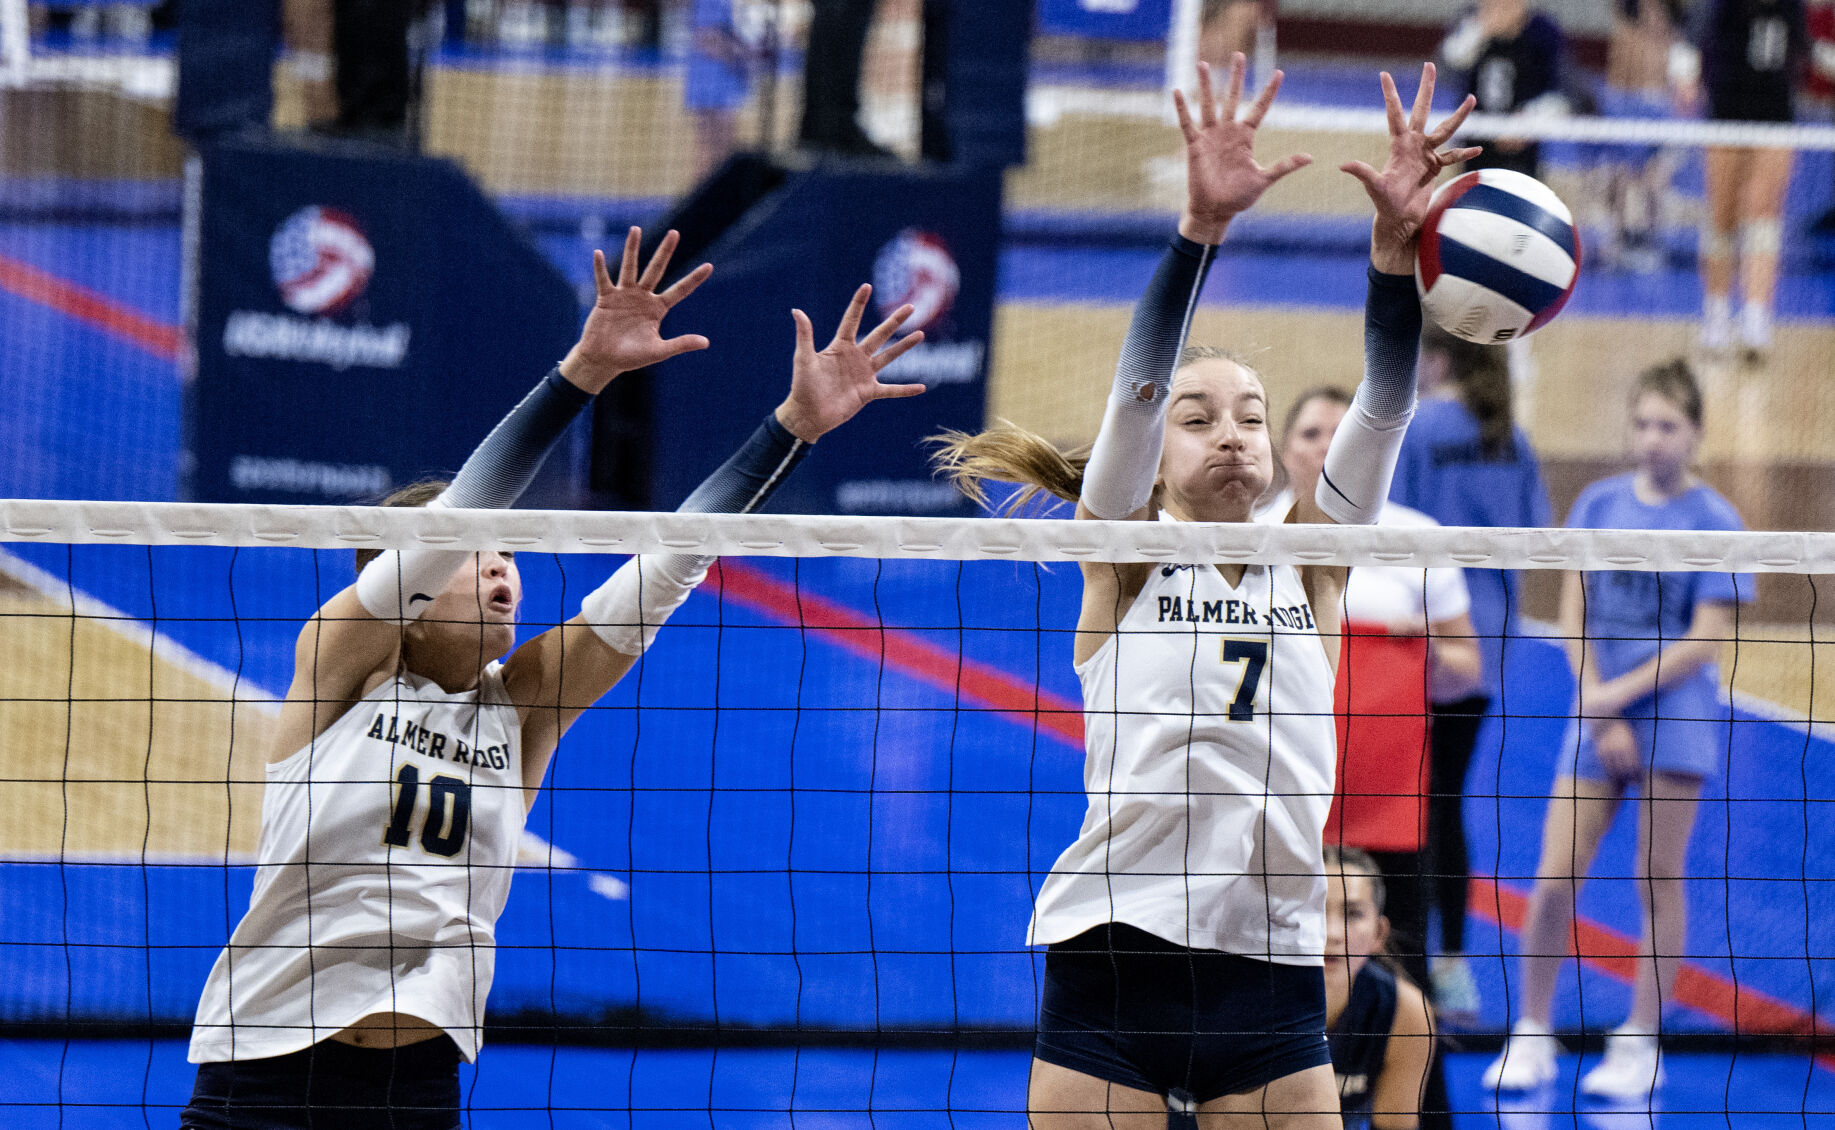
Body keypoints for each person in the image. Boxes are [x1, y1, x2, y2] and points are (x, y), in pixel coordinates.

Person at [178, 227, 926, 1128]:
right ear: (409, 586)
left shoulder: (523, 707)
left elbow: (668, 568)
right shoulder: (342, 667)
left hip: (413, 1092)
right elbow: (456, 517)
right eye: (474, 557)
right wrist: (583, 371)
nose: (500, 568)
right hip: (263, 1072)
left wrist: (791, 430)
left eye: (508, 554)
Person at [933, 53, 1478, 1127]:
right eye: (1198, 416)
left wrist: (1389, 257)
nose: (1228, 429)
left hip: (1270, 966)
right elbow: (1135, 390)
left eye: (1246, 413)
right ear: (1156, 454)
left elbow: (1383, 405)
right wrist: (1198, 231)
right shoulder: (1125, 552)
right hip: (1113, 953)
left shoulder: (1312, 559)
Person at [1483, 359, 1750, 1100]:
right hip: (1596, 706)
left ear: (1694, 432)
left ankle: (1639, 1042)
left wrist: (1611, 701)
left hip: (1675, 715)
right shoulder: (1598, 504)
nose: (1652, 438)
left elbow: (1703, 641)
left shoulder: (1715, 521)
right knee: (1551, 877)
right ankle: (1529, 1032)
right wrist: (1595, 702)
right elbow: (1574, 613)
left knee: (1655, 878)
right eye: (1641, 423)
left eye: (1667, 425)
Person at [1269, 386, 1482, 997]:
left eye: (1344, 433)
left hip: (1387, 806)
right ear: (1285, 451)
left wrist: (1423, 650)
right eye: (1312, 434)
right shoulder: (1251, 537)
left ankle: (1414, 1095)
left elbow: (1469, 668)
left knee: (1398, 973)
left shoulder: (1417, 537)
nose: (1329, 446)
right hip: (1281, 795)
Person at [1388, 325, 1552, 1024]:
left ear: (1435, 357)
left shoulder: (1417, 426)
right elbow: (1533, 535)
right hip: (1486, 644)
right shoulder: (1508, 434)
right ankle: (1452, 969)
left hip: (1417, 635)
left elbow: (1383, 525)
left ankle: (1398, 970)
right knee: (1446, 801)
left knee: (1399, 805)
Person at [1674, 0, 1809, 359]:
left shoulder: (1793, 7)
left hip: (1776, 115)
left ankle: (1755, 320)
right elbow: (1689, 41)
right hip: (1726, 112)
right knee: (1723, 218)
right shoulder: (1719, 7)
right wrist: (1685, 77)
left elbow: (1806, 49)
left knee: (1764, 217)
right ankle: (1716, 317)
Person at [1324, 846, 1436, 1130]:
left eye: (1352, 914)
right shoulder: (1246, 1002)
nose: (1331, 933)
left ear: (1379, 933)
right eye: (1314, 910)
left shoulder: (1406, 1013)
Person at [1439, 0, 1569, 178]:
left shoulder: (1543, 32)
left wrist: (1526, 123)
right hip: (1475, 139)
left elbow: (1563, 94)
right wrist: (1480, 32)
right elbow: (1449, 66)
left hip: (1522, 145)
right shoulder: (1470, 23)